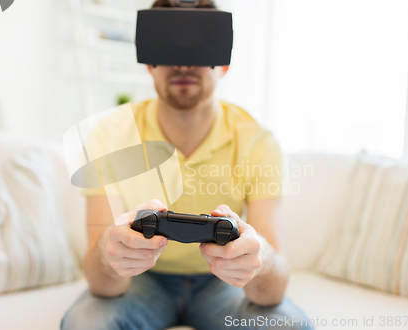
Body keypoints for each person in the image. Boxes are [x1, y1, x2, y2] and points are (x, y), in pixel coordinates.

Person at [62, 1, 314, 329]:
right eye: (168, 48)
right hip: (143, 280)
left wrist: (258, 258)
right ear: (149, 63)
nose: (182, 64)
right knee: (86, 324)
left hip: (222, 283)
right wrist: (113, 256)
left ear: (223, 64)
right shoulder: (107, 137)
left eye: (198, 48)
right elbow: (101, 283)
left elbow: (273, 291)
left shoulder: (257, 142)